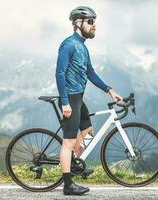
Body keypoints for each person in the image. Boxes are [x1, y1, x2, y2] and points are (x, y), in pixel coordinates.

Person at [55, 6, 123, 196]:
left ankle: (76, 163)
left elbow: (90, 73)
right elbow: (60, 73)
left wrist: (110, 90)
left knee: (87, 131)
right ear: (78, 23)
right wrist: (65, 102)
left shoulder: (83, 47)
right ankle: (68, 185)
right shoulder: (68, 44)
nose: (94, 26)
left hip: (78, 97)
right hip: (70, 98)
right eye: (91, 22)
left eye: (95, 22)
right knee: (67, 142)